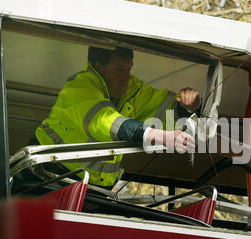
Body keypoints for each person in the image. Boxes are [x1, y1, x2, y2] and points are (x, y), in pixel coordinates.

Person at [30, 46, 201, 189]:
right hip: (46, 177)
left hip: (92, 189)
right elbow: (105, 121)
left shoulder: (133, 89)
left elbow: (164, 111)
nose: (126, 76)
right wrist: (160, 136)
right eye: (119, 69)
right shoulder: (79, 86)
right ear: (98, 67)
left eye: (129, 69)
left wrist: (187, 105)